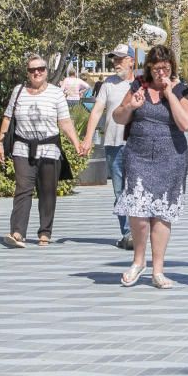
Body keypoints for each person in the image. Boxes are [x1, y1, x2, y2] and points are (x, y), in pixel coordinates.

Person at [112, 45, 188, 289]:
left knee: (162, 214)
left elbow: (186, 123)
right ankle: (139, 261)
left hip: (171, 158)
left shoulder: (181, 90)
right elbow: (118, 117)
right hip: (138, 154)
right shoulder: (138, 86)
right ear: (149, 67)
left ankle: (158, 269)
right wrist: (131, 107)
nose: (161, 73)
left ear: (172, 68)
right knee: (137, 209)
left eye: (165, 68)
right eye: (157, 68)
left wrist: (169, 94)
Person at [0, 54, 83, 248]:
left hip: (49, 148)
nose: (37, 73)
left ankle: (45, 231)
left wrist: (77, 144)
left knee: (47, 191)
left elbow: (65, 122)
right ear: (27, 73)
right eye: (32, 70)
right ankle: (17, 232)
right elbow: (8, 118)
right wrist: (0, 143)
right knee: (23, 189)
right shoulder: (18, 91)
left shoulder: (56, 93)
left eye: (41, 69)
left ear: (46, 71)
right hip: (22, 146)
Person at [80, 44, 137, 249]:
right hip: (113, 143)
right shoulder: (108, 84)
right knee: (120, 191)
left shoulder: (141, 84)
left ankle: (137, 231)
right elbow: (96, 111)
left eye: (121, 59)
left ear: (132, 61)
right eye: (114, 59)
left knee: (137, 189)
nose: (116, 62)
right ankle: (128, 233)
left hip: (137, 146)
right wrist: (88, 139)